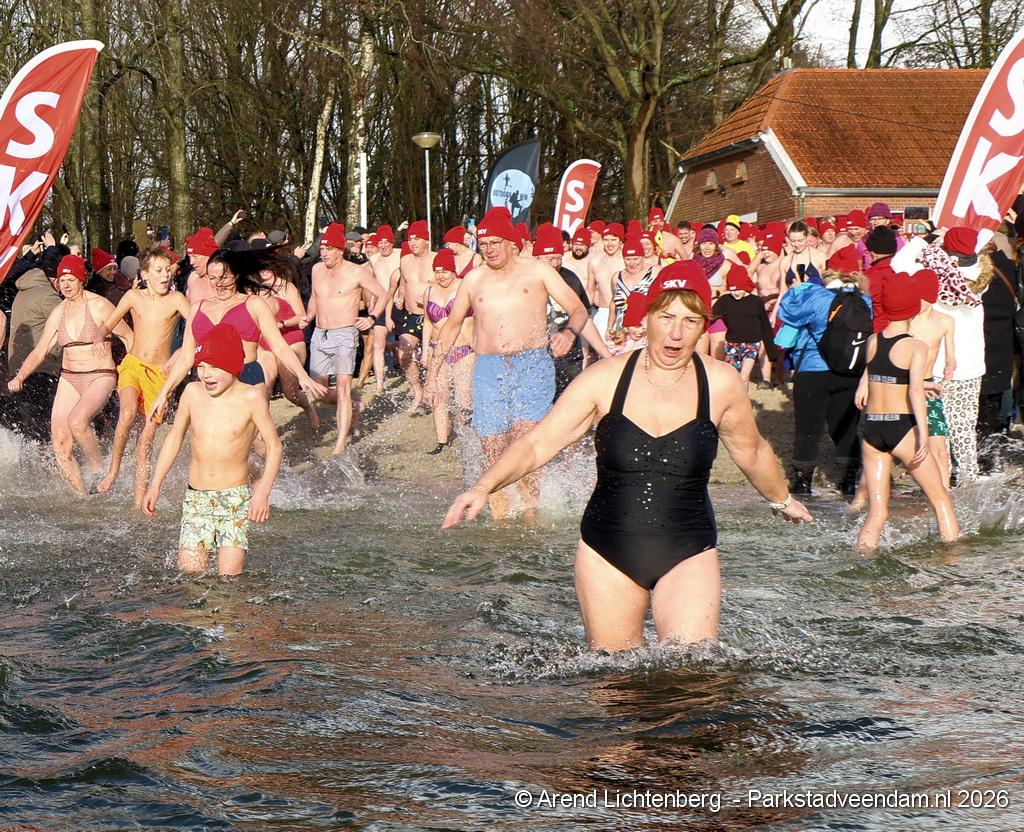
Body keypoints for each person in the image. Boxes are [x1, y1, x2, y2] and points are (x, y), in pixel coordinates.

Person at [441, 268, 811, 650]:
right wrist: (483, 487)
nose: (676, 333)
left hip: (689, 550)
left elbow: (752, 451)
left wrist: (781, 499)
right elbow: (538, 443)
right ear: (646, 317)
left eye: (690, 321)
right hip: (607, 552)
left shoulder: (720, 383)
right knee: (612, 674)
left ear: (704, 325)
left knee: (692, 669)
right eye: (666, 317)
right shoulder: (606, 378)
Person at [426, 212, 611, 519]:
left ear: (511, 242)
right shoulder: (474, 279)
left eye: (495, 242)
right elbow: (451, 326)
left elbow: (578, 309)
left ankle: (529, 513)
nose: (489, 249)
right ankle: (501, 519)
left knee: (524, 441)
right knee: (493, 448)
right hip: (488, 368)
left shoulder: (537, 271)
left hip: (531, 365)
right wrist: (432, 375)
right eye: (484, 243)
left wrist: (568, 333)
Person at [142, 324, 282, 577]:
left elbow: (274, 447)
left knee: (228, 577)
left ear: (233, 366)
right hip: (196, 499)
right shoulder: (192, 393)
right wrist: (155, 485)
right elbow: (174, 437)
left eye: (215, 367)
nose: (206, 375)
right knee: (190, 574)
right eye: (201, 367)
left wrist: (262, 493)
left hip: (234, 499)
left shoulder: (251, 398)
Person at [149, 247, 327, 420]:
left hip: (246, 378)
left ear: (235, 275)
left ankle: (297, 420)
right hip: (211, 380)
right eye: (213, 278)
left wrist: (303, 375)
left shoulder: (254, 304)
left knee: (252, 436)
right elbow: (186, 358)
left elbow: (279, 347)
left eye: (224, 277)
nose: (219, 284)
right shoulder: (197, 309)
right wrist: (164, 393)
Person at [8, 255, 132, 495]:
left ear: (81, 279)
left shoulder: (99, 305)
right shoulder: (58, 312)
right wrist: (20, 376)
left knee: (77, 421)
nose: (65, 285)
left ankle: (99, 472)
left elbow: (129, 337)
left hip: (100, 375)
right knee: (60, 442)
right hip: (69, 377)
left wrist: (131, 374)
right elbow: (40, 351)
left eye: (71, 279)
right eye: (62, 280)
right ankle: (81, 496)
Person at [854, 275, 960, 549]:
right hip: (902, 428)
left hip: (872, 429)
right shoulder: (916, 347)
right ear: (913, 307)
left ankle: (861, 557)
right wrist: (923, 435)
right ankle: (953, 561)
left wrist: (921, 385)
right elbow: (913, 392)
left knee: (878, 512)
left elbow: (885, 377)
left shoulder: (873, 341)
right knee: (941, 501)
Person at [95, 247, 191, 504]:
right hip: (133, 365)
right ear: (145, 274)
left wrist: (180, 351)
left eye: (168, 270)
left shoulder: (177, 299)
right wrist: (98, 338)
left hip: (160, 375)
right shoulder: (133, 296)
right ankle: (113, 470)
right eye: (159, 271)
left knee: (145, 440)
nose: (165, 275)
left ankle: (140, 500)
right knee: (126, 413)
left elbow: (198, 329)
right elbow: (108, 323)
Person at [777, 265, 872, 497]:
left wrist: (798, 288)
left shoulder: (816, 296)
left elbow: (787, 311)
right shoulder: (864, 300)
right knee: (846, 428)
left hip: (813, 369)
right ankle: (848, 481)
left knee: (808, 429)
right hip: (850, 372)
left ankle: (803, 483)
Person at [304, 223, 385, 455]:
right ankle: (356, 406)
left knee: (343, 388)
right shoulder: (316, 270)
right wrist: (308, 317)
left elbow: (382, 294)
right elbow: (315, 297)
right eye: (322, 249)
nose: (324, 253)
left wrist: (371, 318)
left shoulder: (356, 272)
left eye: (329, 249)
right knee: (318, 391)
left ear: (340, 250)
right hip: (320, 334)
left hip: (344, 335)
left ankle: (340, 444)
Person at [255, 257, 320, 431]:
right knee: (264, 388)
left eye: (266, 266)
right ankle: (262, 430)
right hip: (266, 341)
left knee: (290, 393)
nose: (263, 271)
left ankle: (308, 407)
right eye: (260, 267)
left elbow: (301, 316)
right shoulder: (256, 289)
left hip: (290, 337)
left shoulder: (286, 287)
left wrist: (282, 324)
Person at [907, 269, 956, 489]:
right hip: (904, 385)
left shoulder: (945, 321)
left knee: (939, 446)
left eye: (923, 297)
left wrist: (950, 364)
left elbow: (951, 354)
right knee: (899, 444)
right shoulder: (906, 322)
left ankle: (944, 493)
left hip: (929, 387)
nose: (919, 302)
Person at [422, 249, 474, 453]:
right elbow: (428, 322)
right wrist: (425, 350)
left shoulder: (465, 287)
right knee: (439, 396)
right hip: (439, 350)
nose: (441, 276)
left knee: (463, 398)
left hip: (465, 349)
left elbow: (480, 315)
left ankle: (464, 435)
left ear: (453, 270)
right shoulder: (429, 292)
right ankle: (441, 441)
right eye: (437, 271)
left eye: (444, 271)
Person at [389, 220, 434, 412]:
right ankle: (417, 390)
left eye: (417, 239)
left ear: (427, 240)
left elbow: (448, 286)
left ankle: (434, 391)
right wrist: (400, 297)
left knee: (432, 359)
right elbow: (404, 284)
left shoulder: (436, 259)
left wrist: (430, 298)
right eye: (410, 239)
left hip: (433, 317)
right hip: (411, 315)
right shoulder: (405, 260)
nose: (413, 243)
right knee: (403, 354)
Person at [712, 263, 778, 387]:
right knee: (734, 377)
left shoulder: (756, 302)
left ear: (746, 286)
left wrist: (771, 351)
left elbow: (765, 326)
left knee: (744, 376)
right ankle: (739, 397)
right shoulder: (725, 301)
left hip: (751, 344)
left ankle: (743, 398)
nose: (736, 293)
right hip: (732, 344)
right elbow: (710, 317)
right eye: (732, 290)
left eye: (739, 289)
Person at [362, 224, 402, 393]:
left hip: (399, 303)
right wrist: (371, 300)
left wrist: (403, 296)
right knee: (378, 344)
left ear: (392, 243)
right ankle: (380, 384)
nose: (384, 246)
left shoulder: (400, 255)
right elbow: (374, 282)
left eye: (387, 243)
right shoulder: (374, 259)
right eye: (381, 243)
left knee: (407, 343)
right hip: (381, 303)